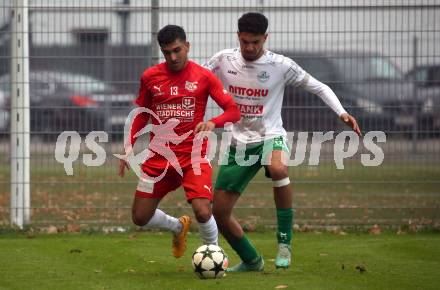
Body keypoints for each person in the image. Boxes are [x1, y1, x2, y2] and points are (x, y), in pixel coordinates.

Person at [203, 12, 361, 271]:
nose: (250, 47)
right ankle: (252, 261)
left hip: (271, 136)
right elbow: (195, 79)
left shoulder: (281, 65)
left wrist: (341, 112)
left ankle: (284, 242)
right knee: (219, 213)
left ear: (265, 38)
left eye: (255, 42)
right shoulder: (223, 60)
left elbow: (319, 86)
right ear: (237, 37)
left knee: (278, 168)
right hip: (238, 143)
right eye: (245, 42)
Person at [119, 25, 240, 259]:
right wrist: (129, 144)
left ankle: (213, 254)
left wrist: (214, 122)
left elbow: (233, 111)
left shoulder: (204, 77)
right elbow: (143, 113)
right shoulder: (150, 77)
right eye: (167, 53)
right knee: (140, 217)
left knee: (203, 211)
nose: (173, 57)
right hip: (159, 158)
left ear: (187, 46)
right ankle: (177, 227)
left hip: (192, 157)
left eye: (177, 50)